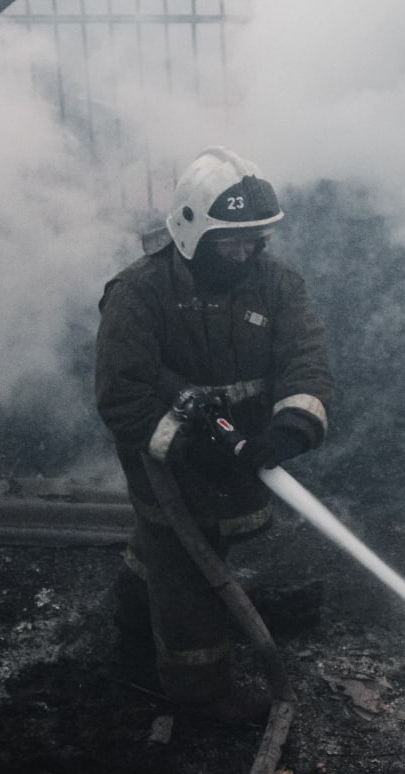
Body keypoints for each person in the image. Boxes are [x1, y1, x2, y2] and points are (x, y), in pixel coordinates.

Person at [94, 146, 333, 719]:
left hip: (242, 450)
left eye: (256, 239)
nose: (246, 252)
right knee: (185, 563)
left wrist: (290, 428)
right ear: (192, 233)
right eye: (232, 241)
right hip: (170, 464)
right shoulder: (139, 294)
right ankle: (198, 690)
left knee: (176, 547)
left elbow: (307, 357)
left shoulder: (277, 284)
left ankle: (129, 611)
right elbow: (122, 395)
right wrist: (192, 443)